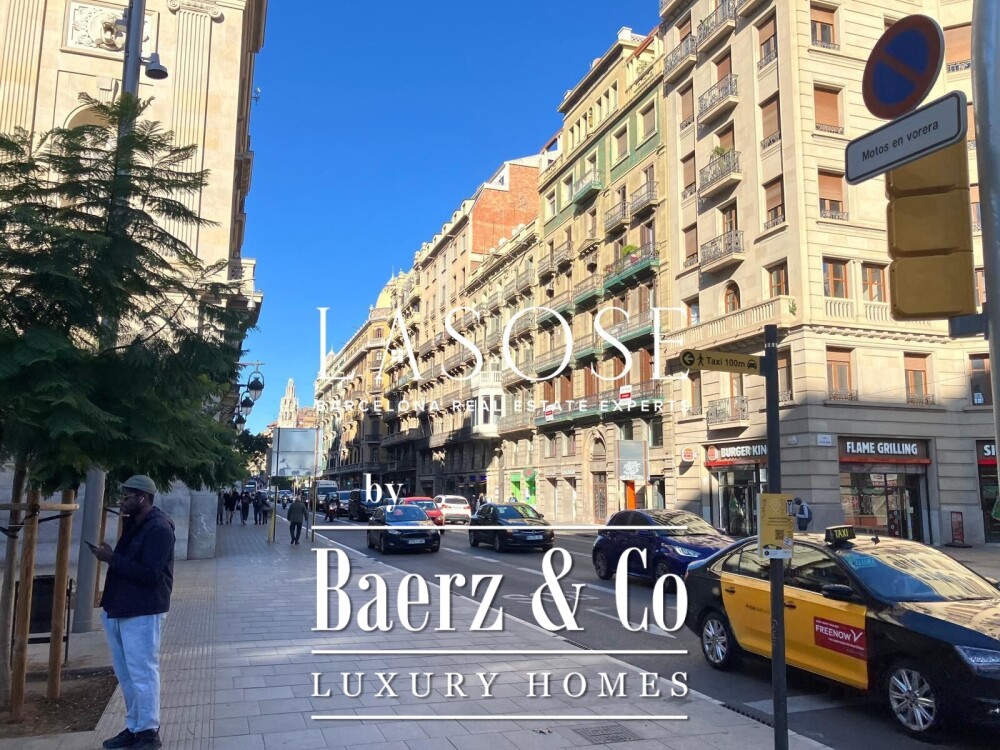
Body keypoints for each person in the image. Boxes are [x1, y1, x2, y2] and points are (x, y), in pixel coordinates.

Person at [91, 475, 174, 750]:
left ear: (143, 497)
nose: (121, 501)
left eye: (126, 497)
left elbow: (150, 573)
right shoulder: (134, 523)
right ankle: (135, 726)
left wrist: (111, 558)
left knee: (143, 673)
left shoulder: (159, 528)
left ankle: (149, 732)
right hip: (118, 608)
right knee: (126, 675)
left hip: (143, 611)